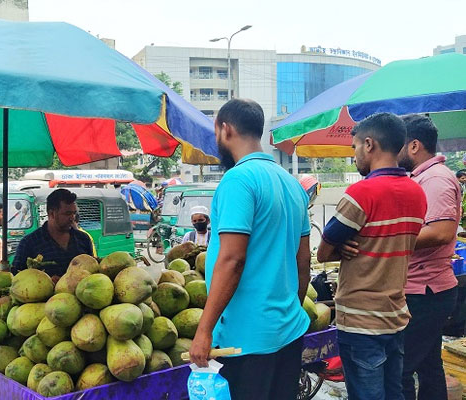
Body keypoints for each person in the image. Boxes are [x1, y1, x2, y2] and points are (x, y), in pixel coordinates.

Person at [189, 99, 312, 400]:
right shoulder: (291, 183)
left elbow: (232, 259)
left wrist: (204, 330)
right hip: (288, 331)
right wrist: (288, 309)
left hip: (247, 341)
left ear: (225, 129)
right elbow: (304, 259)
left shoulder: (238, 180)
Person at [317, 113, 427, 400]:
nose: (354, 155)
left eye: (354, 147)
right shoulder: (417, 193)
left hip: (361, 321)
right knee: (394, 392)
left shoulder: (361, 193)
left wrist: (342, 249)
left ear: (369, 144)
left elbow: (323, 251)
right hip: (395, 315)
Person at [395, 115, 460, 400]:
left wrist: (389, 241)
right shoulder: (423, 177)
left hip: (426, 291)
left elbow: (442, 232)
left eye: (397, 145)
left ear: (414, 146)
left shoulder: (435, 179)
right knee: (428, 364)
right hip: (425, 288)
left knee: (401, 369)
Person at [11, 189, 93, 279]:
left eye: (74, 213)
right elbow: (17, 277)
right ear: (52, 214)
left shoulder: (83, 239)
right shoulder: (29, 243)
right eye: (67, 214)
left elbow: (93, 268)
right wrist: (45, 281)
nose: (72, 218)